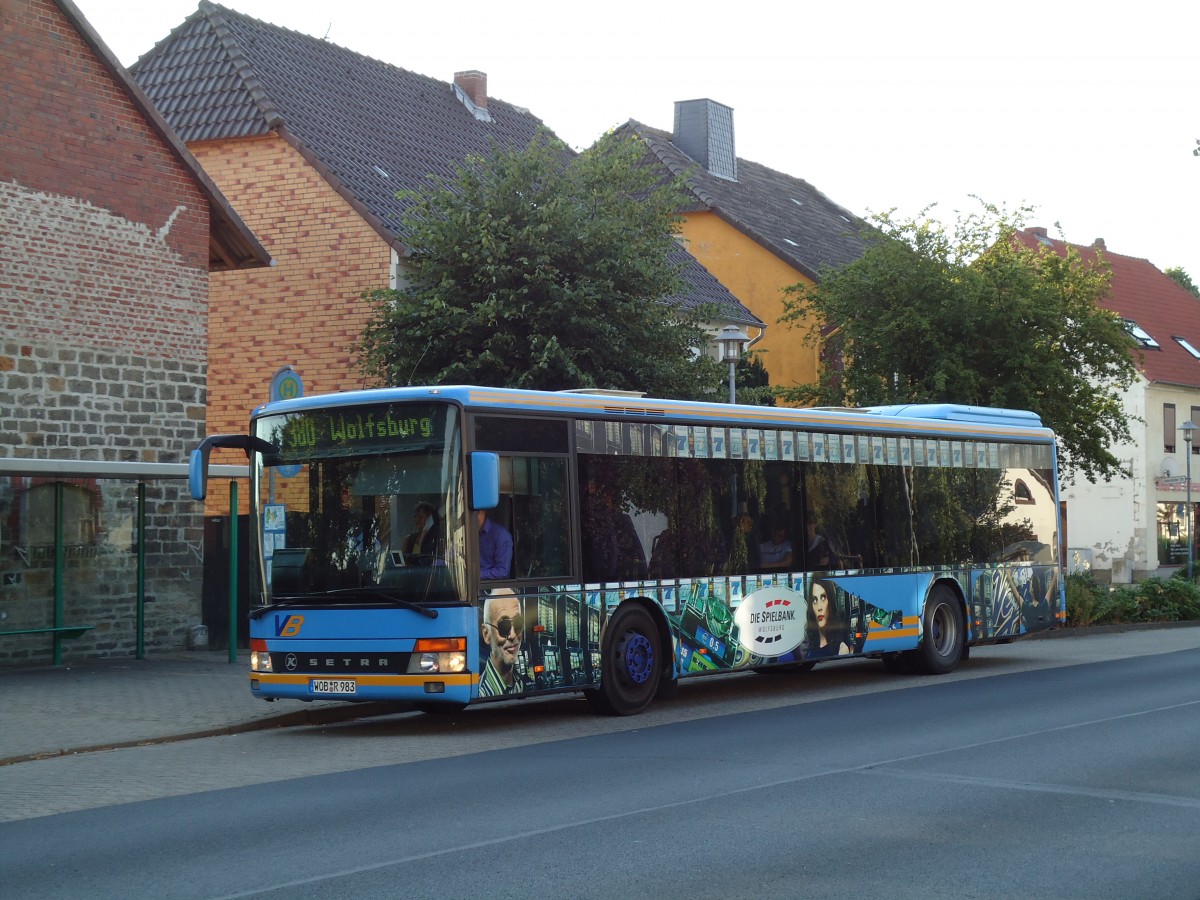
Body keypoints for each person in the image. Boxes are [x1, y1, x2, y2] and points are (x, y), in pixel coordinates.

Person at [479, 589, 531, 697]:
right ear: (486, 634)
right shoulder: (481, 694)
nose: (512, 635)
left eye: (518, 624)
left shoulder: (521, 685)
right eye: (503, 626)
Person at [806, 578, 851, 658]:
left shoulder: (841, 649)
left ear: (831, 602)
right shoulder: (809, 649)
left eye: (823, 598)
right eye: (815, 600)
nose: (819, 607)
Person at [477, 509, 513, 579]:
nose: (472, 517)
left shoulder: (501, 535)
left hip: (491, 587)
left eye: (477, 513)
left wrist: (477, 574)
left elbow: (502, 572)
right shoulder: (466, 533)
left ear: (484, 511)